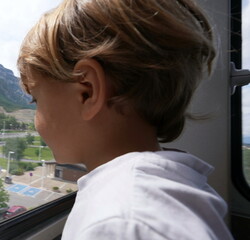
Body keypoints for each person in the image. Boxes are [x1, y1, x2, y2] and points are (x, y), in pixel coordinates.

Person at [17, 0, 233, 239]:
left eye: (36, 101)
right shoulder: (148, 193)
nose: (36, 121)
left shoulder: (124, 222)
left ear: (87, 91)